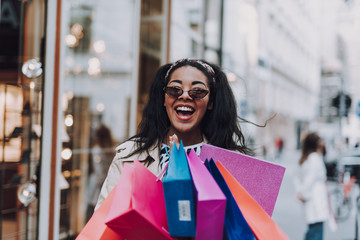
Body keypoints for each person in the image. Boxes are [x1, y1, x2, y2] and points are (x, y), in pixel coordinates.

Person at [95, 58, 254, 210]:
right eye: (174, 89)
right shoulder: (129, 156)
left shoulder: (231, 163)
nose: (185, 95)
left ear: (211, 102)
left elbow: (246, 227)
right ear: (164, 99)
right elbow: (103, 224)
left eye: (198, 91)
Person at [294, 132, 329, 240]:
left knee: (312, 232)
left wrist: (300, 192)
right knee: (315, 233)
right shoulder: (314, 158)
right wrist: (303, 194)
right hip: (316, 202)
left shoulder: (307, 158)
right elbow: (310, 180)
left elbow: (298, 178)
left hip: (313, 202)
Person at [86, 124, 115, 219]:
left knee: (91, 216)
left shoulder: (97, 150)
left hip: (97, 188)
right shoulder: (111, 150)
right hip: (108, 187)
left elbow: (98, 171)